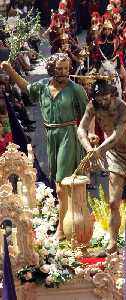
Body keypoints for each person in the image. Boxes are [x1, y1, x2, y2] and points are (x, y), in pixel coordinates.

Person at [1, 52, 88, 240]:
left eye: (66, 68)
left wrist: (89, 135)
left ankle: (61, 229)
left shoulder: (75, 90)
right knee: (62, 183)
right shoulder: (43, 87)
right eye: (59, 69)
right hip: (51, 136)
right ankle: (71, 222)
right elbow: (26, 88)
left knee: (60, 185)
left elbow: (88, 114)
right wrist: (10, 70)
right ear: (51, 70)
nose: (64, 72)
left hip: (68, 135)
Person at [77, 79, 126, 253]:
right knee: (112, 201)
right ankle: (112, 241)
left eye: (105, 98)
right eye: (99, 98)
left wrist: (99, 150)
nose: (102, 101)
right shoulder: (92, 106)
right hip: (115, 155)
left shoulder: (122, 107)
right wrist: (89, 148)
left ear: (111, 94)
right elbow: (81, 129)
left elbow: (118, 134)